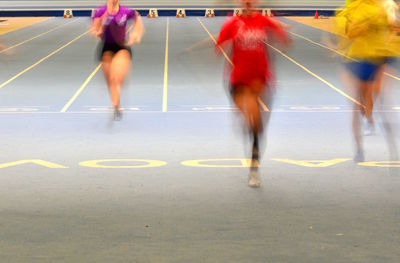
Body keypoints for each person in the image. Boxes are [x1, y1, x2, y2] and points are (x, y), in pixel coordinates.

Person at [216, 0, 289, 187]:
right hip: (239, 80)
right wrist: (223, 41)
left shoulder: (263, 21)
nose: (248, 3)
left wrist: (281, 31)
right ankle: (246, 117)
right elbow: (219, 48)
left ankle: (254, 167)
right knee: (252, 118)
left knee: (258, 128)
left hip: (261, 80)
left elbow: (284, 40)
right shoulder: (233, 23)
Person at [335, 0, 397, 161]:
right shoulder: (349, 9)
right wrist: (366, 24)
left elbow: (391, 29)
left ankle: (392, 149)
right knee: (357, 103)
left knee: (379, 98)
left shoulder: (381, 8)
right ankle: (359, 148)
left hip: (377, 58)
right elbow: (349, 33)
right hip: (356, 59)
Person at [92, 0, 144, 120]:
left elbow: (137, 17)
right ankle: (116, 106)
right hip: (106, 48)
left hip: (121, 47)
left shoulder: (125, 11)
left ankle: (116, 105)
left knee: (116, 77)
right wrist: (99, 27)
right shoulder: (100, 11)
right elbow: (95, 30)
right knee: (110, 81)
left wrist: (136, 33)